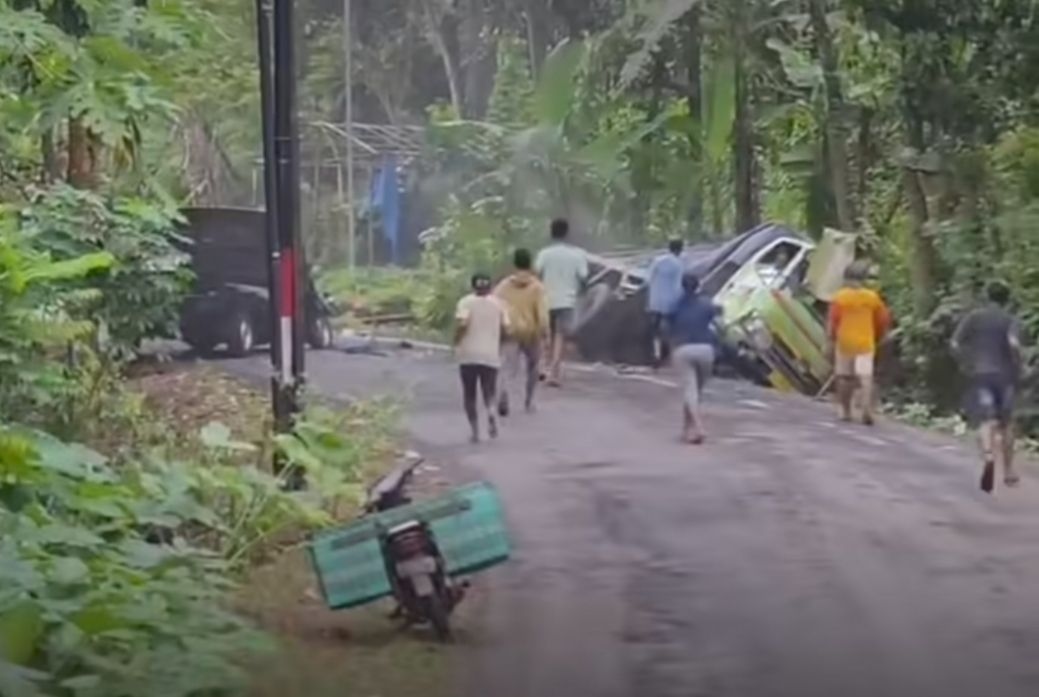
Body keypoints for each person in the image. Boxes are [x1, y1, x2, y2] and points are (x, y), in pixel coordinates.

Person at [951, 282, 1024, 493]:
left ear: (986, 296)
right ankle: (1009, 471)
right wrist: (1020, 364)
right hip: (1006, 375)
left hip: (980, 373)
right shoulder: (1010, 319)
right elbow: (1014, 343)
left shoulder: (974, 317)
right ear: (1007, 299)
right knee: (1007, 422)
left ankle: (989, 455)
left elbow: (955, 343)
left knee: (986, 419)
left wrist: (965, 362)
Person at [827, 261, 891, 426]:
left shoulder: (840, 297)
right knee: (866, 376)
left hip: (845, 341)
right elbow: (882, 320)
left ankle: (845, 410)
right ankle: (866, 409)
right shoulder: (872, 298)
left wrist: (830, 339)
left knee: (844, 376)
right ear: (863, 278)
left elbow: (833, 321)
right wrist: (880, 336)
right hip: (866, 341)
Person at [454, 273, 509, 443]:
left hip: (468, 354)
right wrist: (500, 343)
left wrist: (456, 339)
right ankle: (491, 411)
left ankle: (475, 431)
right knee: (488, 390)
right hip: (490, 354)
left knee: (469, 394)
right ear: (490, 286)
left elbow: (462, 323)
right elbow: (508, 329)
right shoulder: (499, 304)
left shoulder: (465, 302)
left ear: (473, 286)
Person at [494, 248, 549, 415]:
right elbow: (542, 314)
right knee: (533, 367)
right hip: (531, 333)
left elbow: (494, 306)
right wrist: (544, 332)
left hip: (510, 331)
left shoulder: (503, 286)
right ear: (530, 263)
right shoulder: (537, 287)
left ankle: (504, 394)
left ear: (515, 263)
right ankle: (529, 401)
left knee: (508, 368)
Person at [668, 273, 722, 444]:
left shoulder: (675, 305)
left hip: (683, 350)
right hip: (706, 350)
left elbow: (666, 328)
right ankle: (686, 429)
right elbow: (719, 323)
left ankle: (698, 427)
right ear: (698, 285)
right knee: (695, 392)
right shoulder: (706, 303)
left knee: (689, 390)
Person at [535, 218, 589, 386]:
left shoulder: (544, 254)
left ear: (551, 232)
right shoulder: (577, 254)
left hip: (546, 299)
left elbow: (536, 274)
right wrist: (581, 290)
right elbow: (584, 276)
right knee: (560, 335)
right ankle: (554, 373)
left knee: (546, 334)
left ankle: (543, 366)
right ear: (567, 233)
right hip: (567, 301)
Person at [645, 238, 685, 368]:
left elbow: (648, 279)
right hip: (671, 302)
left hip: (655, 301)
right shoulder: (679, 264)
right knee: (671, 330)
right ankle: (667, 356)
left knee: (655, 330)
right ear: (680, 249)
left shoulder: (658, 261)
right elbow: (678, 285)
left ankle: (656, 356)